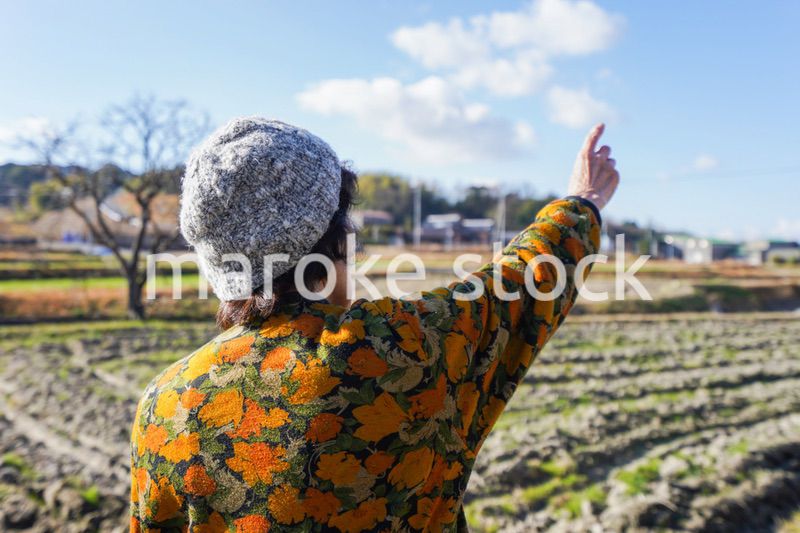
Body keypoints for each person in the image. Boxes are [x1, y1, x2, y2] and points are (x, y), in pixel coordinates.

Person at [129, 117, 619, 532]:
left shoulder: (166, 405)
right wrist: (584, 200)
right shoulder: (402, 351)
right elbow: (519, 283)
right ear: (335, 241)